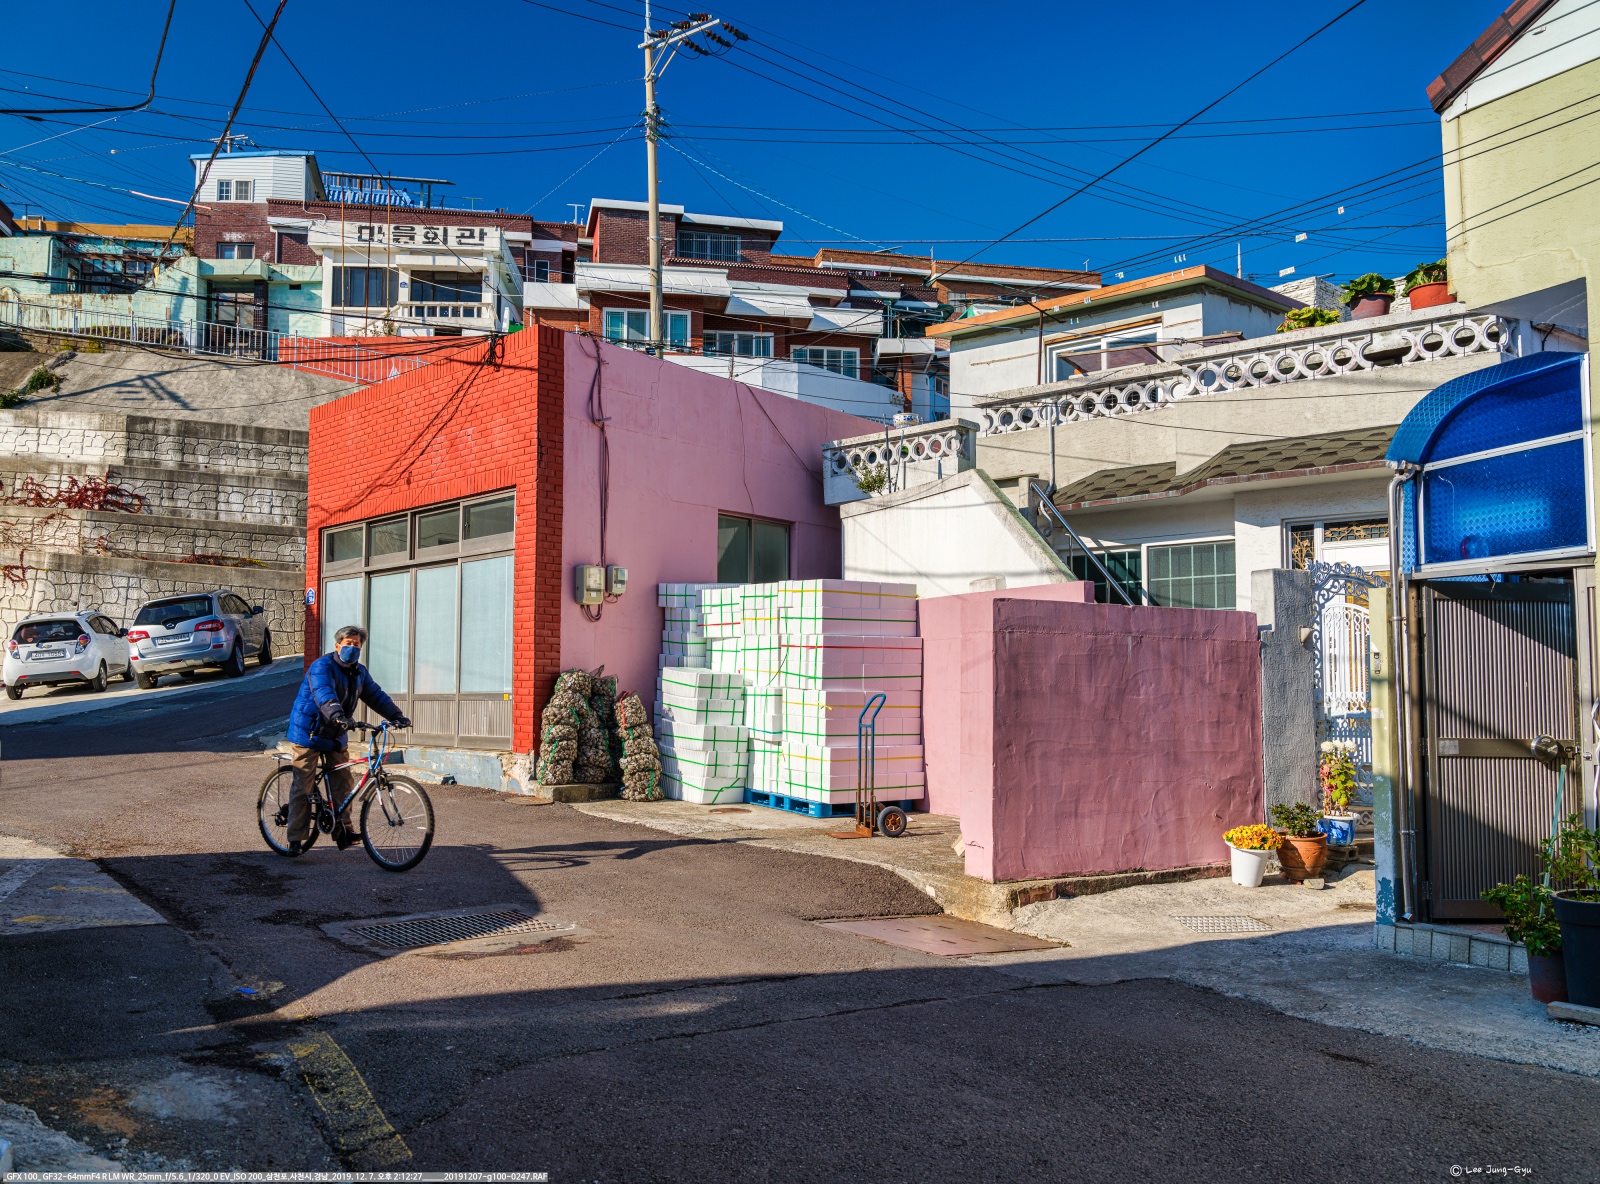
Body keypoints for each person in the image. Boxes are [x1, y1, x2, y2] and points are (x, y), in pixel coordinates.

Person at [285, 624, 411, 854]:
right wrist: (338, 716)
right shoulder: (321, 666)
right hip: (309, 732)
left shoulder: (360, 672)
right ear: (337, 646)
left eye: (357, 644)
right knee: (303, 785)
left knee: (343, 784)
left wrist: (397, 716)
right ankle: (295, 838)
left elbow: (376, 696)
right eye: (348, 644)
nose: (353, 648)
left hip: (335, 733)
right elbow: (324, 694)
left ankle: (344, 831)